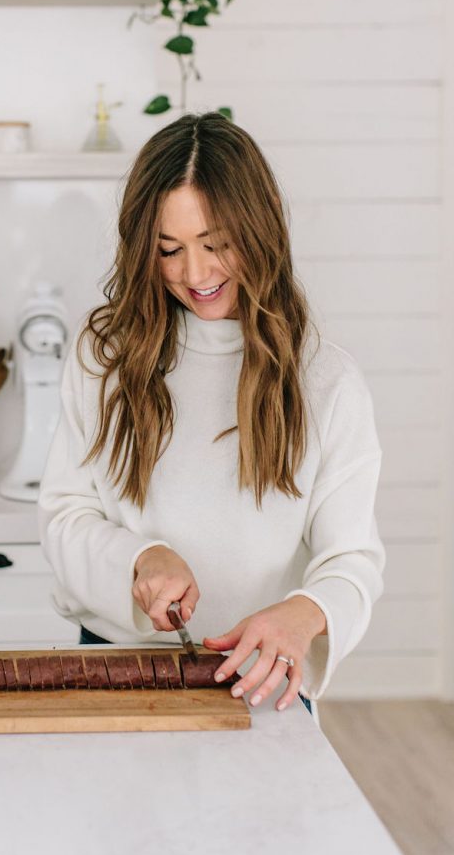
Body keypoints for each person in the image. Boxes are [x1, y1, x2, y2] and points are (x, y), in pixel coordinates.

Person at [38, 112, 385, 718]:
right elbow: (66, 514)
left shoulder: (326, 382)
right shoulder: (104, 357)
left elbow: (351, 560)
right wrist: (141, 559)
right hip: (116, 669)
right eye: (169, 250)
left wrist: (305, 614)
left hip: (264, 684)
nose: (194, 274)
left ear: (261, 224)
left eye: (217, 245)